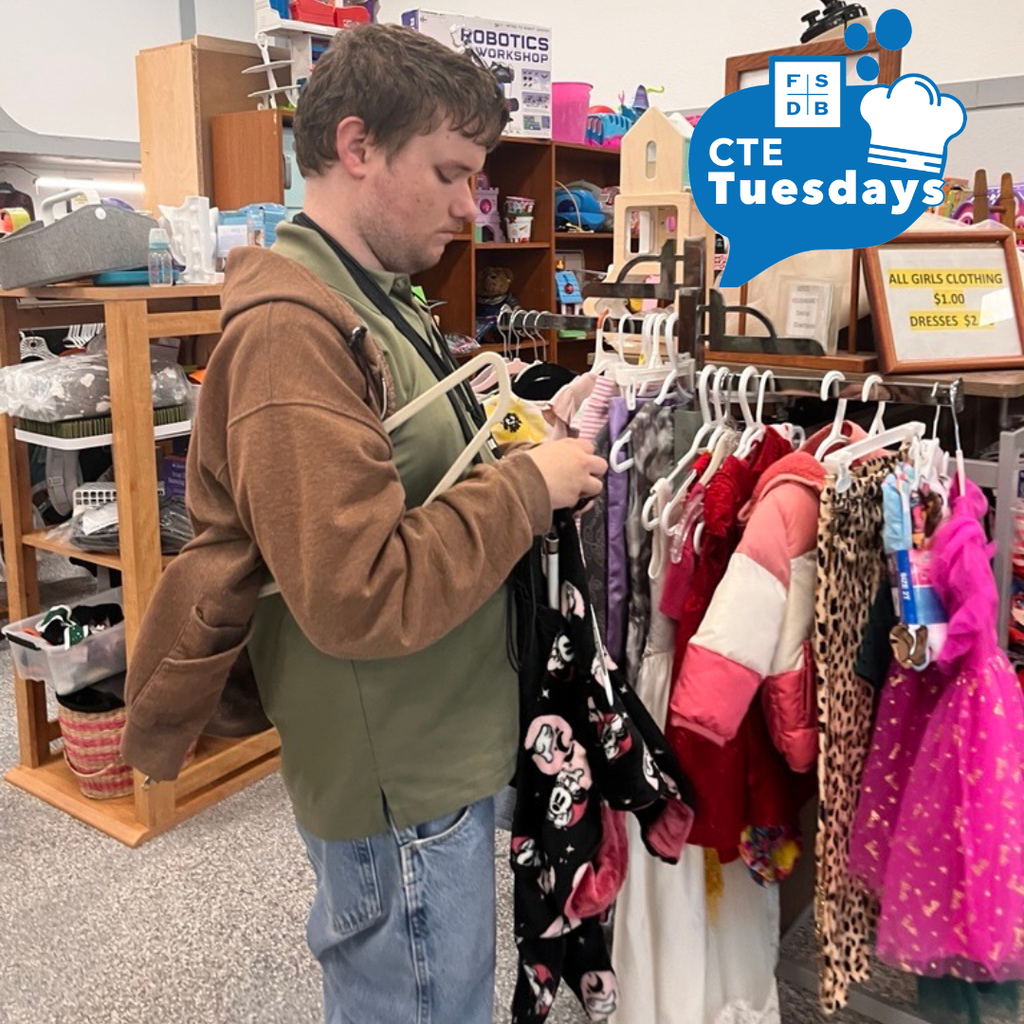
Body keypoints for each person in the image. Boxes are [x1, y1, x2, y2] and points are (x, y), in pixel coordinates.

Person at [121, 22, 607, 1024]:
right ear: (355, 148)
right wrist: (530, 489)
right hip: (400, 782)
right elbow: (356, 592)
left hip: (433, 744)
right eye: (449, 173)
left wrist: (526, 436)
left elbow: (420, 469)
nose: (472, 207)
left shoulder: (377, 299)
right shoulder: (294, 338)